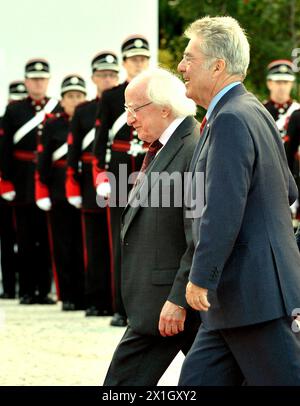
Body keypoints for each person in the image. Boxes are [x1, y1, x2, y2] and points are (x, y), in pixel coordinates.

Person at [177, 16, 300, 386]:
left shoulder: (231, 118)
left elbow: (222, 210)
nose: (181, 66)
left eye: (188, 58)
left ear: (217, 66)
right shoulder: (250, 109)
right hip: (238, 298)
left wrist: (201, 278)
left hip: (252, 297)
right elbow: (289, 190)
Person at [103, 68, 201, 386]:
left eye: (134, 109)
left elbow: (197, 236)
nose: (129, 119)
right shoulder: (165, 147)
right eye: (126, 110)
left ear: (163, 107)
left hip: (169, 307)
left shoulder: (192, 149)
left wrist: (177, 300)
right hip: (158, 306)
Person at [93, 35, 150, 327]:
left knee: (148, 240)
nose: (139, 64)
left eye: (143, 59)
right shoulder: (112, 96)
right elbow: (100, 142)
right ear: (125, 63)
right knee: (120, 240)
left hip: (151, 170)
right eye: (134, 59)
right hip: (118, 172)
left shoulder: (158, 91)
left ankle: (143, 306)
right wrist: (102, 178)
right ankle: (121, 307)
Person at [0, 59, 60, 304]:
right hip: (23, 182)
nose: (37, 83)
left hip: (46, 181)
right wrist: (5, 181)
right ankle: (26, 290)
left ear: (47, 81)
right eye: (33, 79)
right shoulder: (14, 110)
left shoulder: (56, 109)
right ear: (26, 82)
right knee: (24, 239)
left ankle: (44, 290)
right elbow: (4, 148)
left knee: (45, 238)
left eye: (42, 79)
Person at [66, 52, 119, 317]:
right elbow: (73, 151)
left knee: (117, 245)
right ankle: (96, 299)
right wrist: (72, 184)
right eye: (102, 75)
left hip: (120, 178)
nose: (108, 79)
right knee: (94, 245)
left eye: (112, 74)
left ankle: (115, 300)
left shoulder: (125, 103)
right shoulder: (84, 110)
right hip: (90, 183)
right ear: (93, 78)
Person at [35, 75, 86, 310]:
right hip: (58, 191)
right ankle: (67, 295)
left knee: (83, 246)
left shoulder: (90, 120)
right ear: (62, 100)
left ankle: (85, 294)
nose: (75, 101)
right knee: (63, 245)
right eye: (70, 96)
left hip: (84, 188)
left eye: (79, 96)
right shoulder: (53, 124)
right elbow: (43, 159)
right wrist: (42, 189)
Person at [0, 81, 28, 299]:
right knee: (7, 240)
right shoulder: (4, 120)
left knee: (25, 237)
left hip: (24, 186)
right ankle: (9, 287)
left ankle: (24, 286)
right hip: (7, 187)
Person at [264, 59, 299, 144]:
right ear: (269, 83)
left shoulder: (297, 111)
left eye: (286, 82)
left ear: (292, 84)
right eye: (278, 82)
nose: (282, 87)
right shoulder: (261, 110)